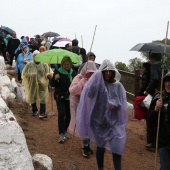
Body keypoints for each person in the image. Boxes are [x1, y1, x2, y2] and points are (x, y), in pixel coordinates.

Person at [76, 59, 128, 170]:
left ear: (113, 71)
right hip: (99, 121)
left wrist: (113, 105)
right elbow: (89, 94)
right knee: (100, 147)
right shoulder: (98, 84)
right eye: (105, 71)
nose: (108, 73)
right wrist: (93, 82)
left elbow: (122, 104)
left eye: (110, 70)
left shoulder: (117, 86)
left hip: (114, 122)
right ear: (102, 72)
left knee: (117, 146)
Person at [69, 60, 97, 157]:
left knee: (90, 126)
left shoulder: (95, 80)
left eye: (92, 72)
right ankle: (85, 146)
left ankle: (87, 145)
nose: (90, 73)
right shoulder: (79, 77)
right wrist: (82, 83)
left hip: (92, 107)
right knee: (85, 125)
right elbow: (72, 90)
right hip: (80, 106)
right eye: (89, 71)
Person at [50, 56, 76, 143]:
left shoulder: (73, 73)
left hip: (70, 97)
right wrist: (55, 78)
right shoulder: (58, 71)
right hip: (60, 96)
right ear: (62, 64)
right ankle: (61, 133)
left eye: (68, 64)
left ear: (70, 64)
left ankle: (65, 130)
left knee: (69, 115)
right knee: (62, 113)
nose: (66, 66)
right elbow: (52, 84)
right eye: (64, 64)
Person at [147, 71, 170, 170]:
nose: (168, 84)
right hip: (162, 140)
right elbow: (150, 121)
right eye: (166, 81)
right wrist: (156, 109)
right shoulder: (158, 97)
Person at [22, 50, 53, 118]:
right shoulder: (29, 64)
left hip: (42, 84)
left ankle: (42, 112)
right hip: (32, 84)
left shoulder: (44, 64)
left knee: (43, 97)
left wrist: (48, 75)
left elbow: (48, 72)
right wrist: (30, 75)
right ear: (33, 56)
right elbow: (24, 73)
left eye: (38, 56)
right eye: (34, 56)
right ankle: (34, 110)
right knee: (32, 96)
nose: (36, 57)